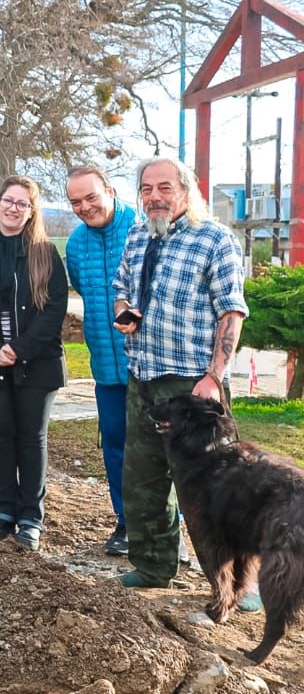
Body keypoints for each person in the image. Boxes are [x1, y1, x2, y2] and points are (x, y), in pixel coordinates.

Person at [111, 156, 247, 589]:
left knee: (212, 488)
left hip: (192, 386)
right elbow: (121, 288)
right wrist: (124, 312)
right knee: (142, 480)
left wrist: (214, 377)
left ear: (187, 190)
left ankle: (235, 581)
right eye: (147, 189)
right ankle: (153, 566)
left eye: (165, 188)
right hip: (143, 377)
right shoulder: (137, 236)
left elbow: (231, 311)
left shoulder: (215, 240)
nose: (155, 197)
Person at [0, 176, 68, 551]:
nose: (13, 208)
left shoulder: (45, 253)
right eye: (8, 200)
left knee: (31, 437)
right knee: (0, 436)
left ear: (31, 210)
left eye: (22, 203)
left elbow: (54, 309)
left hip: (36, 361)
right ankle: (3, 510)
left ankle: (30, 517)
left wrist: (20, 348)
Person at [64, 165, 135, 556]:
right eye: (76, 201)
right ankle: (124, 523)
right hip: (106, 367)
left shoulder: (142, 228)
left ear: (109, 189)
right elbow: (81, 287)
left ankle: (167, 529)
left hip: (149, 364)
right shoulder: (75, 244)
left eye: (91, 197)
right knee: (115, 445)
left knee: (159, 449)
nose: (85, 207)